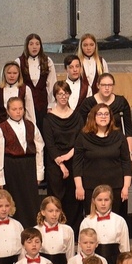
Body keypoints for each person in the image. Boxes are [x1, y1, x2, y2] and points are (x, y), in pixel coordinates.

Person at [0, 96, 45, 229]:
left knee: (30, 202)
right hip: (11, 168)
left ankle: (32, 229)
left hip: (29, 167)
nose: (18, 112)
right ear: (8, 111)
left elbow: (39, 148)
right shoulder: (1, 129)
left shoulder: (31, 126)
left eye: (20, 108)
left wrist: (39, 173)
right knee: (15, 201)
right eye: (14, 109)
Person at [73, 103, 132, 215]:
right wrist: (79, 186)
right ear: (93, 117)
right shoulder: (83, 136)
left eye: (106, 114)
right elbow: (77, 163)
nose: (103, 117)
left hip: (116, 188)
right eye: (100, 114)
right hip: (91, 187)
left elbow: (126, 162)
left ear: (111, 117)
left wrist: (126, 187)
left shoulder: (119, 136)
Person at [42, 80, 83, 216]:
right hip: (55, 163)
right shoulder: (48, 119)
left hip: (74, 160)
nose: (63, 96)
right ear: (55, 96)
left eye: (65, 93)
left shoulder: (77, 116)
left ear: (69, 94)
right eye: (60, 94)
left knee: (73, 199)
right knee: (56, 199)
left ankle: (73, 231)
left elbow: (80, 140)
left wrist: (68, 156)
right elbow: (50, 144)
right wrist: (61, 163)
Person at [76, 73, 132, 145]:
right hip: (93, 142)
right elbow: (81, 127)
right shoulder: (88, 103)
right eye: (103, 85)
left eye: (110, 85)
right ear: (98, 85)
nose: (107, 88)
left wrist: (129, 151)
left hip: (116, 142)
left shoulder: (121, 102)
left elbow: (128, 129)